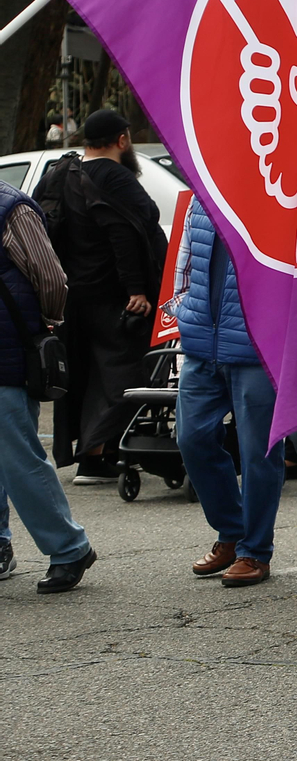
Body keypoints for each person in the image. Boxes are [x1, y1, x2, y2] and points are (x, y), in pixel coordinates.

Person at [34, 109, 162, 483]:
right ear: (122, 139)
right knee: (126, 372)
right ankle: (96, 455)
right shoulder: (115, 177)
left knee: (86, 374)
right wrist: (137, 288)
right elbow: (126, 233)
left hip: (69, 297)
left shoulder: (58, 172)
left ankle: (93, 452)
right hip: (114, 297)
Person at [167, 198, 285, 588]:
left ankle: (255, 550)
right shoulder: (199, 195)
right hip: (202, 342)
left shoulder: (274, 194)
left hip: (255, 348)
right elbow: (184, 265)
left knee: (258, 453)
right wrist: (185, 311)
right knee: (192, 438)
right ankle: (232, 533)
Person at [0, 175, 95, 593]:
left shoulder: (12, 208)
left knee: (18, 457)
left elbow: (52, 278)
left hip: (6, 353)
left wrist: (48, 321)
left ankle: (69, 547)